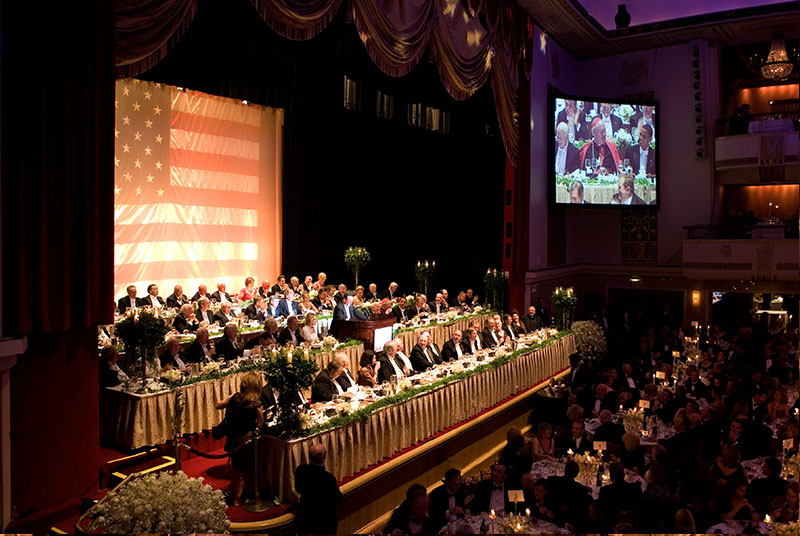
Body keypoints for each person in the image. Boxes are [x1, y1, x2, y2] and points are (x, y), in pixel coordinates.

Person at [215, 372, 263, 506]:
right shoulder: (257, 404)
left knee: (236, 469)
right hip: (245, 442)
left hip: (232, 439)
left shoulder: (235, 397)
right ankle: (237, 499)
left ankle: (235, 495)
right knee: (243, 472)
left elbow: (218, 405)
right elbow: (260, 425)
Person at [294, 444, 342, 533]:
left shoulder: (301, 470)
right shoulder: (328, 478)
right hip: (324, 523)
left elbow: (298, 488)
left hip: (305, 518)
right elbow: (338, 499)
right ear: (323, 458)